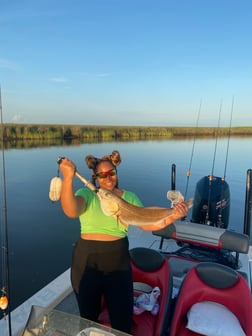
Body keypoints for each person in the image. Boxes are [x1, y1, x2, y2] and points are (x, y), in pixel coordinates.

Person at [59, 150, 188, 333]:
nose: (108, 178)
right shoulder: (87, 195)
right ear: (95, 178)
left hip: (117, 261)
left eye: (111, 173)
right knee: (88, 318)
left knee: (122, 319)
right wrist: (68, 178)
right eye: (102, 175)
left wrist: (174, 215)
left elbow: (147, 222)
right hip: (86, 260)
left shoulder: (129, 198)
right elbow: (71, 210)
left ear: (116, 173)